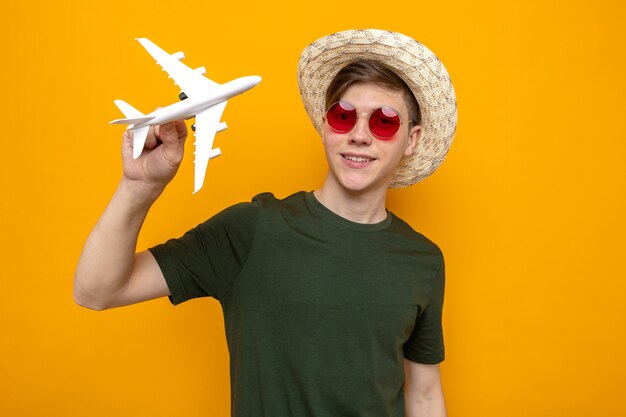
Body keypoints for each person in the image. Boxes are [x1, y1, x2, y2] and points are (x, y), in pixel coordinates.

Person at [74, 29, 457, 417]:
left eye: (384, 122)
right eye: (343, 116)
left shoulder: (422, 260)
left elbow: (425, 395)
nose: (359, 135)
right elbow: (96, 290)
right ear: (325, 126)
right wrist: (138, 187)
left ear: (412, 139)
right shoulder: (253, 229)